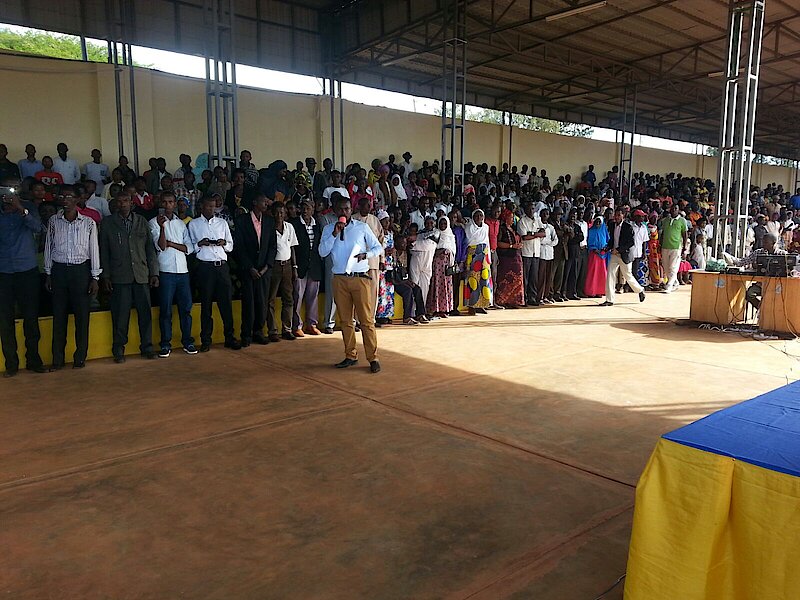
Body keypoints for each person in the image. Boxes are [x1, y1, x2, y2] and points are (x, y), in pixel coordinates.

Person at [318, 196, 383, 373]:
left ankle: (373, 357)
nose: (344, 212)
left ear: (351, 209)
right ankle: (350, 355)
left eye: (347, 209)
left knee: (366, 321)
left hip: (360, 278)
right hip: (339, 279)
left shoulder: (361, 227)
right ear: (334, 210)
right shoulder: (328, 229)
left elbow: (378, 247)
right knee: (346, 321)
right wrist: (334, 234)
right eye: (340, 209)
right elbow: (322, 252)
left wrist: (366, 255)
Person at [44, 185, 101, 369]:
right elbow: (49, 247)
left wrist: (95, 277)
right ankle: (57, 359)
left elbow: (94, 249)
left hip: (80, 272)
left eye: (69, 196)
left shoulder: (88, 223)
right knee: (59, 316)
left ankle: (80, 357)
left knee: (82, 317)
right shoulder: (54, 221)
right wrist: (48, 272)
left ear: (77, 199)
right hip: (59, 271)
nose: (65, 200)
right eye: (62, 196)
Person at [99, 192, 159, 362]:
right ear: (115, 204)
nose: (122, 204)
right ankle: (119, 349)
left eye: (125, 201)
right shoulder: (108, 223)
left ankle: (147, 347)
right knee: (120, 315)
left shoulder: (141, 221)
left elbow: (150, 249)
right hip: (119, 276)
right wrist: (106, 276)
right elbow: (104, 251)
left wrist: (154, 272)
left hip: (141, 274)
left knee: (145, 314)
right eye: (119, 201)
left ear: (132, 203)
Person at [0, 186, 46, 377]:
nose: (8, 197)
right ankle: (11, 364)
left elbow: (38, 228)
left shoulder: (28, 208)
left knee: (31, 318)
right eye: (4, 194)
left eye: (11, 194)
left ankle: (33, 360)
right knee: (5, 321)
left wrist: (20, 208)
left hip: (27, 271)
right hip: (3, 272)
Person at [188, 196, 240, 352]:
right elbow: (191, 247)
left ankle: (229, 337)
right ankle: (206, 340)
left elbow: (230, 245)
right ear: (201, 207)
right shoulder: (194, 224)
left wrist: (223, 243)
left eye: (213, 206)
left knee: (226, 304)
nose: (211, 209)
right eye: (208, 206)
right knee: (206, 305)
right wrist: (200, 243)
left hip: (221, 266)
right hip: (205, 267)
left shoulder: (222, 223)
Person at [150, 191, 197, 357]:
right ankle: (165, 344)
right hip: (165, 271)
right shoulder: (153, 222)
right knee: (165, 310)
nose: (167, 205)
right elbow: (162, 246)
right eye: (164, 202)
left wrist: (172, 244)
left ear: (175, 204)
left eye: (170, 202)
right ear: (160, 203)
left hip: (183, 271)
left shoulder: (181, 224)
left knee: (186, 309)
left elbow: (189, 248)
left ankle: (187, 341)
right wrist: (163, 228)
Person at [233, 193, 277, 346]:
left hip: (264, 270)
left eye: (266, 201)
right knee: (248, 303)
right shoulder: (242, 220)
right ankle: (246, 334)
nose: (266, 204)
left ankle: (259, 331)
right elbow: (239, 247)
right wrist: (250, 267)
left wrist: (266, 267)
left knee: (262, 302)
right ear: (254, 202)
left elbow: (272, 246)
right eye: (263, 201)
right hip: (248, 269)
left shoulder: (270, 221)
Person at [266, 202, 299, 341]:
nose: (279, 215)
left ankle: (287, 329)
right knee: (270, 299)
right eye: (277, 212)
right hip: (273, 266)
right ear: (272, 213)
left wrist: (294, 267)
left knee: (288, 298)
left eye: (282, 212)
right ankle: (272, 331)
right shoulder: (269, 228)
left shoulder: (289, 227)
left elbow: (292, 248)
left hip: (287, 266)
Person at [600, 208, 646, 306]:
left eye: (618, 215)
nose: (616, 217)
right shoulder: (612, 225)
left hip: (624, 255)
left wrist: (619, 250)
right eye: (615, 215)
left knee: (627, 275)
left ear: (623, 216)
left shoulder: (628, 227)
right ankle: (609, 299)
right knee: (610, 275)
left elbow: (631, 243)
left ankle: (640, 290)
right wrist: (607, 247)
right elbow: (612, 240)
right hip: (614, 255)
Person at [728, 233, 785, 309]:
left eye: (766, 242)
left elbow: (789, 269)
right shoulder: (758, 252)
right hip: (761, 284)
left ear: (773, 243)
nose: (763, 244)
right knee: (749, 294)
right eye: (763, 242)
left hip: (777, 285)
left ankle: (771, 310)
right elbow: (742, 262)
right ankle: (762, 309)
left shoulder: (782, 254)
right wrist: (730, 259)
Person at [290, 199, 322, 336]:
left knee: (313, 297)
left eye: (308, 208)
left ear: (313, 210)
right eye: (303, 208)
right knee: (297, 296)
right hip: (300, 265)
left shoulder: (317, 225)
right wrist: (294, 266)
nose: (305, 211)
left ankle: (311, 324)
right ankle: (297, 325)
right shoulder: (294, 224)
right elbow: (292, 246)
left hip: (314, 266)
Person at [352, 197, 385, 314]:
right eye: (365, 205)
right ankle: (356, 318)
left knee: (372, 290)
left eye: (369, 206)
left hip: (373, 261)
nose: (368, 208)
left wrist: (382, 259)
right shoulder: (353, 219)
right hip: (357, 261)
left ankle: (371, 317)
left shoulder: (375, 220)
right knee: (358, 290)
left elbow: (381, 241)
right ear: (359, 206)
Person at [462, 209, 493, 315]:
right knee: (472, 280)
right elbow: (468, 241)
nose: (479, 218)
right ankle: (471, 305)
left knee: (484, 280)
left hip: (484, 254)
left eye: (481, 215)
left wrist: (489, 257)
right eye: (476, 216)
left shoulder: (486, 227)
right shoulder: (469, 227)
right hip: (473, 254)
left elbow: (487, 241)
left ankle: (482, 304)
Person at [494, 208, 525, 308]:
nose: (512, 219)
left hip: (516, 257)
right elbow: (498, 243)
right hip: (506, 257)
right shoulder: (502, 229)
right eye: (511, 217)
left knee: (517, 279)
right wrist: (511, 246)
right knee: (506, 279)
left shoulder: (513, 228)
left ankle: (514, 301)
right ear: (505, 218)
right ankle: (504, 300)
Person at [426, 216, 455, 316]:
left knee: (446, 286)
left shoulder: (450, 235)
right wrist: (441, 251)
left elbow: (453, 250)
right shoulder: (436, 234)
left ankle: (444, 309)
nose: (443, 225)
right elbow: (431, 248)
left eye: (445, 223)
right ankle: (435, 309)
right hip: (437, 265)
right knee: (437, 285)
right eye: (441, 223)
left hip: (447, 264)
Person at [517, 202, 543, 306]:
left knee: (534, 277)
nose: (531, 211)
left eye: (532, 209)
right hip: (526, 253)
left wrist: (532, 234)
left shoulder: (537, 220)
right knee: (525, 277)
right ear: (525, 210)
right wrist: (536, 234)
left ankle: (532, 297)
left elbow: (543, 233)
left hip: (536, 252)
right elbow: (524, 237)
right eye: (529, 209)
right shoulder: (522, 221)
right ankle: (524, 298)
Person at [409, 218, 438, 308]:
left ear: (434, 224)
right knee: (414, 285)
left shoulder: (436, 233)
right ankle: (413, 311)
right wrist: (416, 244)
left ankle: (421, 310)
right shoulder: (420, 233)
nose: (429, 224)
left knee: (424, 289)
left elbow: (429, 244)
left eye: (431, 223)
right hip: (415, 262)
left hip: (427, 264)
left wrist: (415, 244)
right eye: (427, 223)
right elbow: (411, 247)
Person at [660, 203, 688, 293]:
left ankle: (669, 285)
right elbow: (663, 233)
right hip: (665, 246)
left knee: (673, 267)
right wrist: (660, 244)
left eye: (676, 208)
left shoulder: (682, 221)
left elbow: (685, 234)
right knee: (666, 267)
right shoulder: (666, 220)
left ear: (678, 210)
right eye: (672, 208)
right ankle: (675, 282)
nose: (673, 210)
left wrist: (685, 247)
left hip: (676, 247)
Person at [376, 210, 395, 324]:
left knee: (389, 290)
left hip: (389, 264)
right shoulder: (378, 233)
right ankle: (380, 315)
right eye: (384, 221)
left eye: (388, 221)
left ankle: (387, 313)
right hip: (381, 264)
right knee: (381, 291)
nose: (387, 223)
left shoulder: (391, 234)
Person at [536, 208, 558, 304]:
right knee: (541, 276)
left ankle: (546, 296)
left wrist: (548, 242)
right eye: (543, 214)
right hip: (541, 253)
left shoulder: (551, 227)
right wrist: (547, 241)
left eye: (547, 214)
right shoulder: (538, 226)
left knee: (549, 276)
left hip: (549, 253)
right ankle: (539, 296)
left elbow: (555, 240)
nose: (545, 215)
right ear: (540, 215)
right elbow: (540, 240)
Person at [585, 217, 609, 298]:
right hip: (594, 255)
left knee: (601, 273)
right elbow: (588, 242)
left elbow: (607, 241)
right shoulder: (591, 231)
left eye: (599, 222)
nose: (598, 223)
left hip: (602, 255)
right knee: (593, 273)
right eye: (596, 221)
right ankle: (591, 291)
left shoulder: (604, 230)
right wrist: (593, 248)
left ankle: (600, 291)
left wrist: (605, 248)